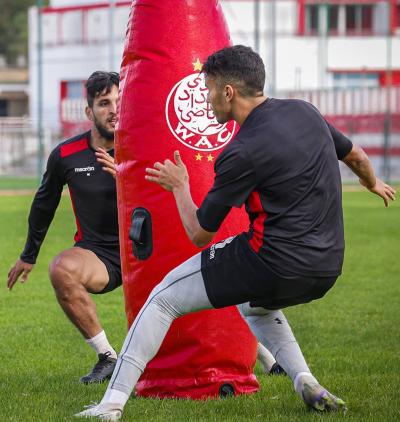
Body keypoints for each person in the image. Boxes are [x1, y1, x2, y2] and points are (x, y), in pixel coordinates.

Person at [75, 45, 395, 419]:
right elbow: (355, 156)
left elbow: (198, 233)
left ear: (228, 92)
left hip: (273, 263)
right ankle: (305, 380)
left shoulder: (241, 152)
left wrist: (179, 185)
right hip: (327, 268)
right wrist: (373, 184)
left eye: (209, 89)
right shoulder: (304, 111)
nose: (207, 100)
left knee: (161, 298)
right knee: (254, 306)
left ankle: (110, 405)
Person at [7, 71, 122, 384]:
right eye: (104, 103)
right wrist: (29, 255)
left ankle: (262, 351)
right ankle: (107, 356)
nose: (115, 109)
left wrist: (126, 178)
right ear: (89, 112)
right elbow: (44, 205)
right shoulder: (66, 155)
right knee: (62, 268)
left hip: (147, 250)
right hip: (100, 255)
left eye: (120, 101)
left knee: (203, 280)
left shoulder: (144, 147)